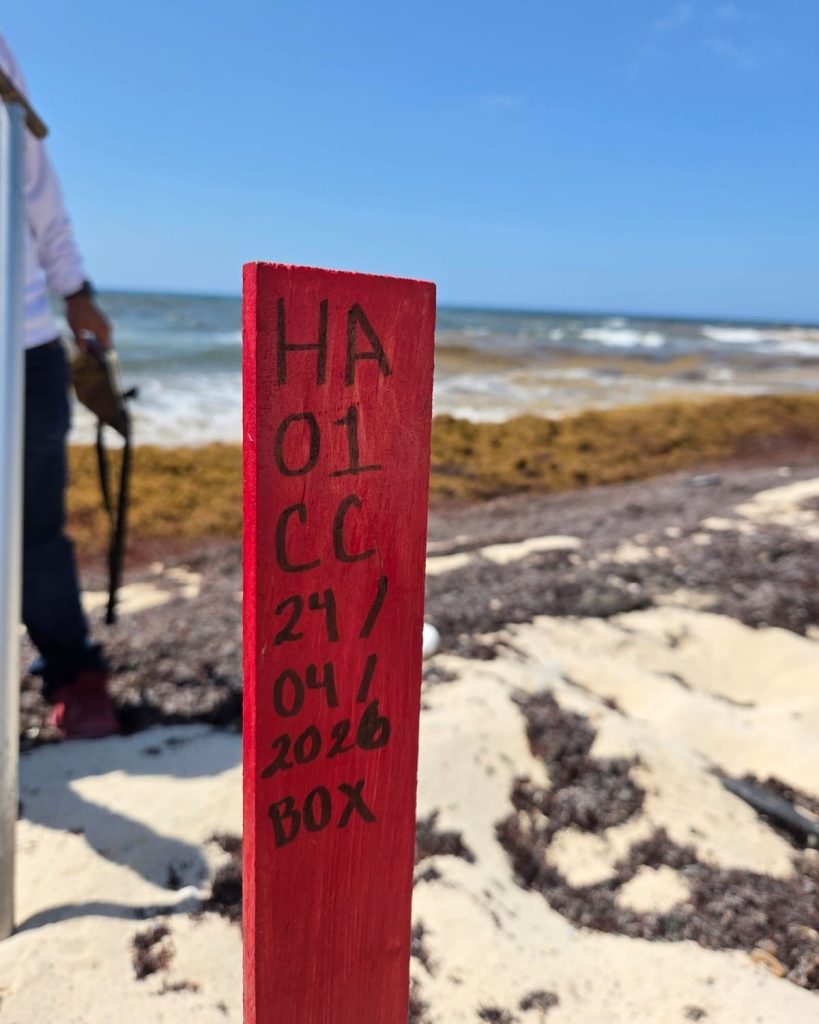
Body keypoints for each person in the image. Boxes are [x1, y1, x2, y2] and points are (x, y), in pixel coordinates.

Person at [0, 31, 117, 739]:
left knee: (36, 531)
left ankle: (73, 672)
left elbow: (35, 184)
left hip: (25, 342)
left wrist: (76, 290)